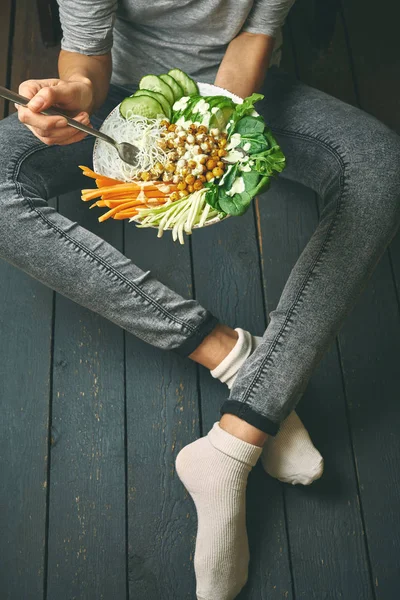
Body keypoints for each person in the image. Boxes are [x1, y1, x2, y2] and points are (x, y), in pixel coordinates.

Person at [1, 0, 399, 598]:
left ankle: (235, 444)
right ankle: (241, 363)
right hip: (120, 106)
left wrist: (208, 141)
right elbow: (87, 62)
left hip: (240, 101)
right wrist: (75, 96)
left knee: (379, 165)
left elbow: (251, 45)